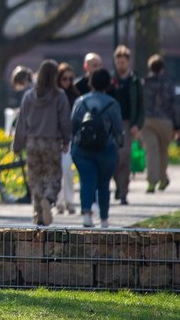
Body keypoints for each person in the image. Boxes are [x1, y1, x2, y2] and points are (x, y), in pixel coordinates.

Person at [12, 59, 72, 226]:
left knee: (35, 178)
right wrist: (66, 139)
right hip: (52, 142)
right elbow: (65, 121)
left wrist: (17, 145)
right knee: (53, 176)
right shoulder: (59, 96)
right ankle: (49, 198)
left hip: (32, 142)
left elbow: (21, 122)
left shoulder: (29, 96)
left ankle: (38, 213)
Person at [71, 68, 123, 228]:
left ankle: (86, 214)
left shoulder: (81, 101)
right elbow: (118, 129)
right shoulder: (112, 104)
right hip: (106, 149)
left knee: (86, 180)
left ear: (91, 82)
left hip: (83, 149)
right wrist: (119, 144)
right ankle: (104, 218)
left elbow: (73, 124)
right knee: (104, 184)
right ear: (108, 84)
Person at [110, 45, 145, 205]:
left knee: (124, 157)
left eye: (123, 62)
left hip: (128, 123)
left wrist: (137, 124)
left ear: (128, 62)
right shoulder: (111, 80)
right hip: (113, 124)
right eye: (118, 62)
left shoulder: (135, 81)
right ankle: (118, 185)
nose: (120, 65)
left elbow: (141, 106)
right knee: (114, 158)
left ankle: (123, 191)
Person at [141, 54, 178, 194]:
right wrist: (177, 126)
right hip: (166, 121)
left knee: (151, 151)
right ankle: (163, 178)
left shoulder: (144, 83)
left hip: (148, 120)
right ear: (162, 69)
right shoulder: (169, 84)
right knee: (163, 151)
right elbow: (175, 105)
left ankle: (151, 182)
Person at [55, 63, 80, 214]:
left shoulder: (75, 95)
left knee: (67, 170)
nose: (68, 82)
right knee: (56, 171)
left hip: (70, 138)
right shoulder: (54, 95)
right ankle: (58, 202)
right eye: (64, 78)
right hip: (54, 138)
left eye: (71, 79)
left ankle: (70, 201)